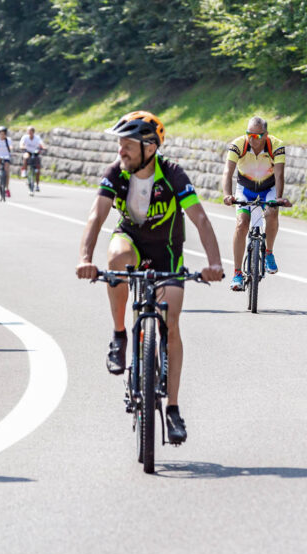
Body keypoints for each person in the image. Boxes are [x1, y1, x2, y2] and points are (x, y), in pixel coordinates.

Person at [76, 110, 224, 444]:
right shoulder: (116, 173)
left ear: (150, 148)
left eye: (127, 145)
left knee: (171, 324)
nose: (121, 151)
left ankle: (172, 409)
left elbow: (200, 219)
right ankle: (119, 336)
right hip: (130, 242)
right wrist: (85, 259)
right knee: (117, 259)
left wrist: (214, 264)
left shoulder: (172, 175)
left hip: (166, 252)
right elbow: (96, 216)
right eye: (119, 144)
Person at [221, 116, 291, 290]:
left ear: (266, 135)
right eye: (249, 134)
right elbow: (227, 172)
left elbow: (279, 175)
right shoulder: (238, 145)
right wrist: (227, 195)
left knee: (272, 212)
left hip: (268, 189)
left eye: (257, 136)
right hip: (245, 189)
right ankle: (237, 273)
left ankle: (269, 252)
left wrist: (278, 198)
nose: (251, 139)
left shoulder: (276, 145)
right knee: (241, 224)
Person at [19, 125, 45, 191]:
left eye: (30, 131)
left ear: (33, 132)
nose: (29, 133)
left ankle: (37, 185)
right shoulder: (25, 137)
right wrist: (22, 147)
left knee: (38, 170)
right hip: (28, 152)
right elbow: (21, 144)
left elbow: (41, 143)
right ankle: (24, 171)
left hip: (35, 153)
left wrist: (43, 147)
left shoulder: (37, 138)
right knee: (25, 157)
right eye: (28, 131)